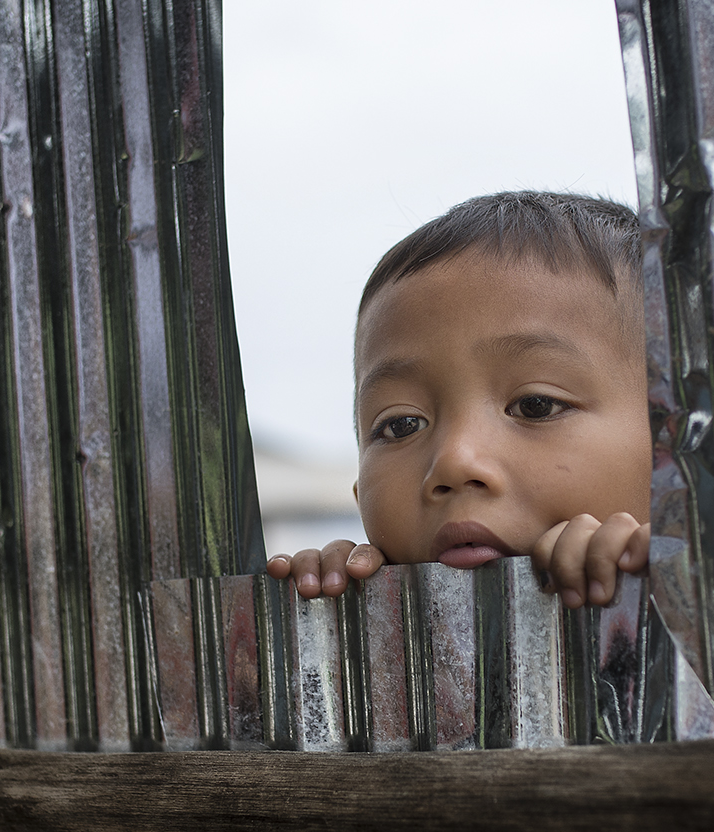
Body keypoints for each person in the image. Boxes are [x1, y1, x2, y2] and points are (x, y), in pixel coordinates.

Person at [264, 191, 650, 609]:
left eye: (536, 405)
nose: (455, 460)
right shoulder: (351, 623)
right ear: (359, 496)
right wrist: (329, 616)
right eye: (401, 425)